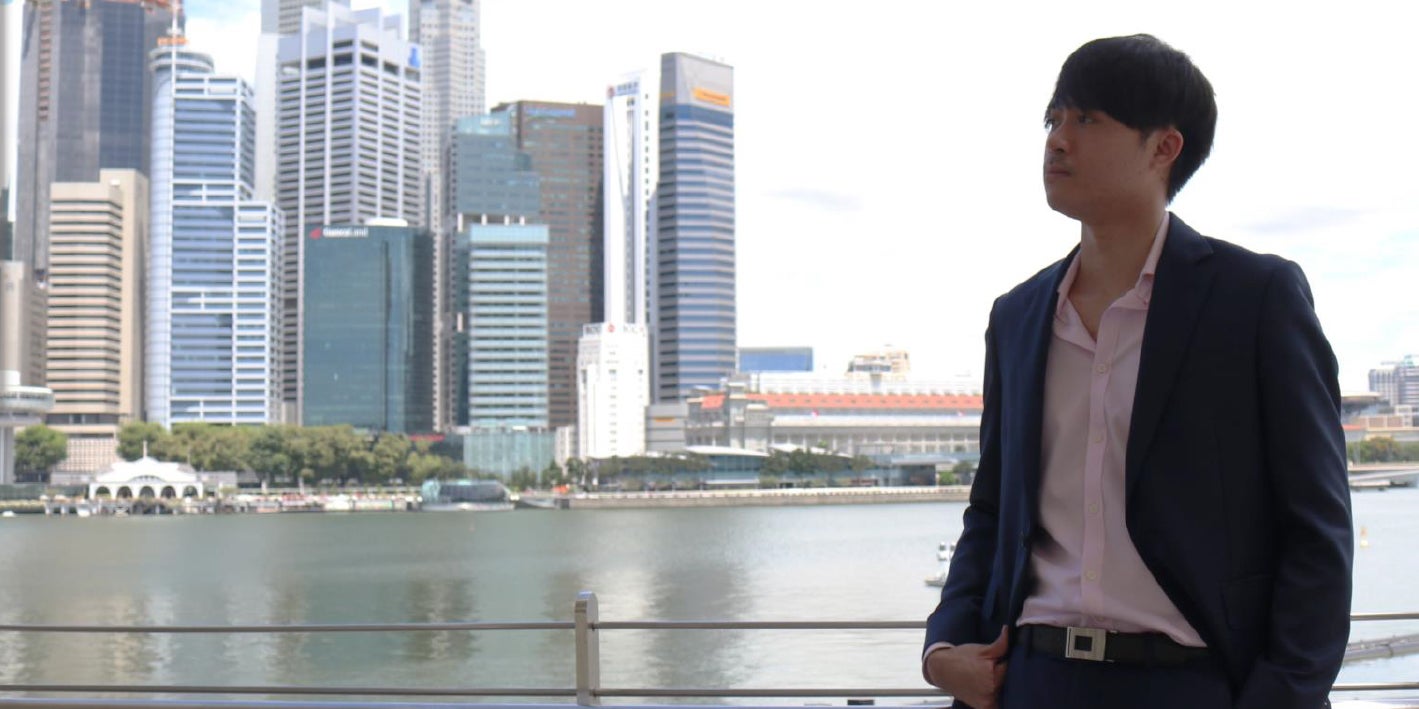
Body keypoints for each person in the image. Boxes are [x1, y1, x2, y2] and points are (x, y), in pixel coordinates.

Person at [922, 34, 1353, 709]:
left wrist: (1282, 695)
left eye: (1087, 118)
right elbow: (992, 508)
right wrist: (945, 644)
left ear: (1163, 148)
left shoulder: (1254, 299)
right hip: (1029, 680)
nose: (1057, 140)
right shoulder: (1017, 316)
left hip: (1193, 683)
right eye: (1053, 119)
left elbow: (1316, 528)